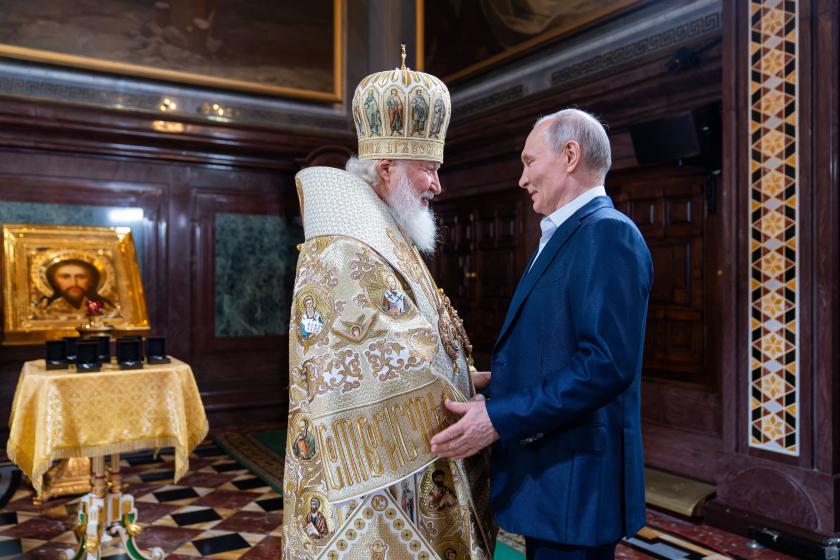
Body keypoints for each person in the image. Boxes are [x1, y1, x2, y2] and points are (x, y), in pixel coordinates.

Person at [283, 49, 495, 560]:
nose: (438, 185)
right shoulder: (345, 248)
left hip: (407, 468)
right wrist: (466, 386)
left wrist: (470, 377)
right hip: (372, 480)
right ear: (387, 167)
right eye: (429, 169)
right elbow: (375, 363)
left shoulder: (384, 230)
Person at [431, 108, 653, 559]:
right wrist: (498, 384)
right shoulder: (569, 232)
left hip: (577, 484)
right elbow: (562, 348)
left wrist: (500, 417)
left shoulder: (607, 235)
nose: (522, 178)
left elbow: (605, 365)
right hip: (555, 480)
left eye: (530, 162)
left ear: (569, 155)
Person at [36, 258, 115, 312]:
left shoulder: (105, 308)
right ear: (54, 281)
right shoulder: (45, 308)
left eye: (81, 277)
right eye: (65, 277)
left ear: (91, 281)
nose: (74, 283)